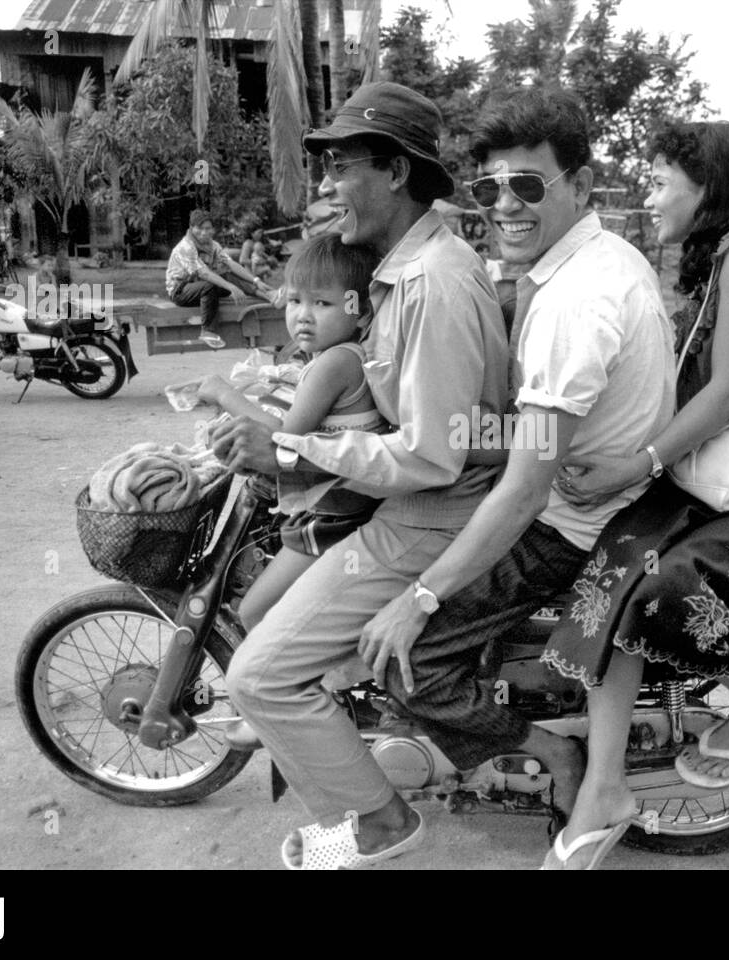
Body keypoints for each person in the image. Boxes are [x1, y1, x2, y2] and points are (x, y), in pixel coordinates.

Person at [355, 88, 675, 870]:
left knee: (411, 662)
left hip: (567, 524)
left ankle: (554, 758)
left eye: (527, 185)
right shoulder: (592, 259)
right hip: (600, 492)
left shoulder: (575, 302)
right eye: (490, 188)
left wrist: (418, 597)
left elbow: (528, 488)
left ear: (581, 186)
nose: (505, 204)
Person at [210, 81, 510, 870]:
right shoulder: (406, 272)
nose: (329, 186)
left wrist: (294, 449)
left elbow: (432, 454)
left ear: (397, 172)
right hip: (413, 507)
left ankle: (379, 824)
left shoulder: (433, 285)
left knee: (260, 678)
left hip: (431, 516)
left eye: (343, 168)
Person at [542, 119, 729, 868]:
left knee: (661, 589)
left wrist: (631, 465)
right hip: (720, 488)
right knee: (607, 580)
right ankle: (604, 789)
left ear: (705, 185)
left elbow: (725, 394)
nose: (649, 197)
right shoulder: (716, 265)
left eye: (658, 181)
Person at [182, 235, 387, 638]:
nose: (304, 316)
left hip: (332, 516)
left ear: (360, 313)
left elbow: (282, 442)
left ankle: (310, 687)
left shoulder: (335, 363)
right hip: (342, 505)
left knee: (256, 611)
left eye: (322, 304)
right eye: (295, 301)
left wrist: (225, 393)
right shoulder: (344, 356)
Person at [166, 210, 274, 349]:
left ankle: (268, 294)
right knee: (209, 285)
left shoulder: (213, 245)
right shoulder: (186, 247)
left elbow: (231, 264)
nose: (204, 232)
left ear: (213, 229)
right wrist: (230, 287)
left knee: (227, 274)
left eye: (208, 228)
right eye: (200, 228)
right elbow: (204, 273)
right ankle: (207, 331)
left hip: (200, 285)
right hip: (180, 291)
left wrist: (256, 280)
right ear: (192, 228)